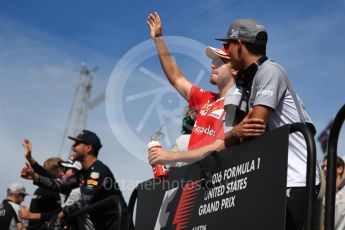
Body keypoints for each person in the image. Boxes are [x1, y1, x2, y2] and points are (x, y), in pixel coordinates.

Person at [218, 18, 321, 229]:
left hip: (296, 178)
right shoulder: (253, 78)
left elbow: (254, 125)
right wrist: (233, 135)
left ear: (239, 44)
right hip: (276, 178)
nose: (226, 52)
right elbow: (240, 132)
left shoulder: (270, 71)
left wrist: (233, 136)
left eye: (228, 45)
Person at [146, 12, 265, 165]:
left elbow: (222, 144)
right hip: (195, 181)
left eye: (219, 61)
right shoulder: (206, 99)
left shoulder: (242, 102)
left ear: (234, 68)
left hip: (220, 182)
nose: (212, 64)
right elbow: (176, 78)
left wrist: (171, 156)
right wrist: (159, 40)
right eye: (213, 60)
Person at [21, 130, 128, 230]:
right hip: (101, 226)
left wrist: (61, 214)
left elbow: (84, 200)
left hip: (116, 227)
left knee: (76, 194)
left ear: (88, 148)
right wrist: (35, 177)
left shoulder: (98, 171)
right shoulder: (82, 173)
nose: (72, 147)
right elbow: (60, 185)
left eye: (76, 143)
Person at [20, 138, 63, 230]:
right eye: (63, 168)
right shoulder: (52, 190)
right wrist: (31, 215)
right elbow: (59, 213)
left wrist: (30, 159)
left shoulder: (41, 189)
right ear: (59, 171)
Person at [322, 156, 345, 229]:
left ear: (340, 169)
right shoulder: (327, 194)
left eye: (328, 166)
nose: (325, 169)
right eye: (323, 166)